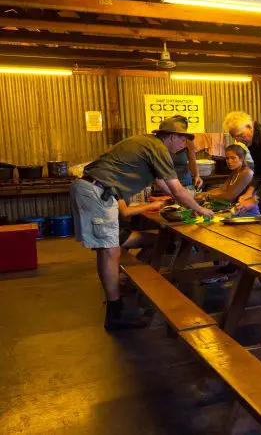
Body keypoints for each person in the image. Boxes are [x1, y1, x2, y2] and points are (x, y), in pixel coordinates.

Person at [71, 119, 214, 330]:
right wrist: (199, 209)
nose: (184, 145)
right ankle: (115, 313)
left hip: (93, 188)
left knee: (107, 250)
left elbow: (164, 184)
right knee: (109, 251)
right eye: (183, 139)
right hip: (99, 191)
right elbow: (176, 188)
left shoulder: (149, 144)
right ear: (172, 136)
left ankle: (118, 301)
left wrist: (184, 203)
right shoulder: (158, 148)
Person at [196, 143, 260, 216]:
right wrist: (203, 194)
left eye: (233, 158)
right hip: (236, 211)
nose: (229, 161)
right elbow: (222, 189)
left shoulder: (247, 173)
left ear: (241, 158)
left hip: (248, 213)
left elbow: (230, 196)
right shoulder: (235, 172)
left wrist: (208, 196)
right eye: (227, 158)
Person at [168, 115, 203, 196]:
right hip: (168, 182)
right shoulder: (165, 141)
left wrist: (197, 175)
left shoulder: (188, 141)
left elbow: (192, 161)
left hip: (185, 181)